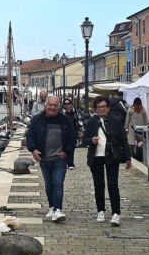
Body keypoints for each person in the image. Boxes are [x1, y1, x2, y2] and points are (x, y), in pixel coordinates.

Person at [82, 95, 132, 225]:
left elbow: (123, 140)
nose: (101, 109)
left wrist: (128, 158)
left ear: (108, 108)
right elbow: (85, 138)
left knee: (112, 185)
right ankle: (101, 210)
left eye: (104, 106)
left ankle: (116, 213)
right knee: (99, 185)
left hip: (111, 156)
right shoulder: (92, 121)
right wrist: (91, 140)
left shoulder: (115, 121)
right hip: (96, 156)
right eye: (99, 107)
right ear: (95, 109)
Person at [26, 95, 76, 222]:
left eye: (55, 105)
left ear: (59, 106)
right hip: (44, 159)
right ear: (46, 106)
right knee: (49, 186)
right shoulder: (37, 119)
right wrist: (33, 149)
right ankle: (52, 207)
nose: (52, 107)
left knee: (58, 183)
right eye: (50, 105)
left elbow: (72, 137)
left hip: (59, 158)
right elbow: (30, 135)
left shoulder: (65, 120)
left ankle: (58, 210)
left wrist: (67, 151)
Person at [61, 97, 79, 168]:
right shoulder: (62, 112)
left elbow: (78, 121)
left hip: (73, 132)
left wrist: (79, 131)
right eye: (65, 104)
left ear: (71, 104)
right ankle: (64, 162)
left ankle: (70, 163)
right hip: (64, 133)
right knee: (64, 147)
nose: (67, 105)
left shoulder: (74, 112)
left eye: (68, 103)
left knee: (71, 148)